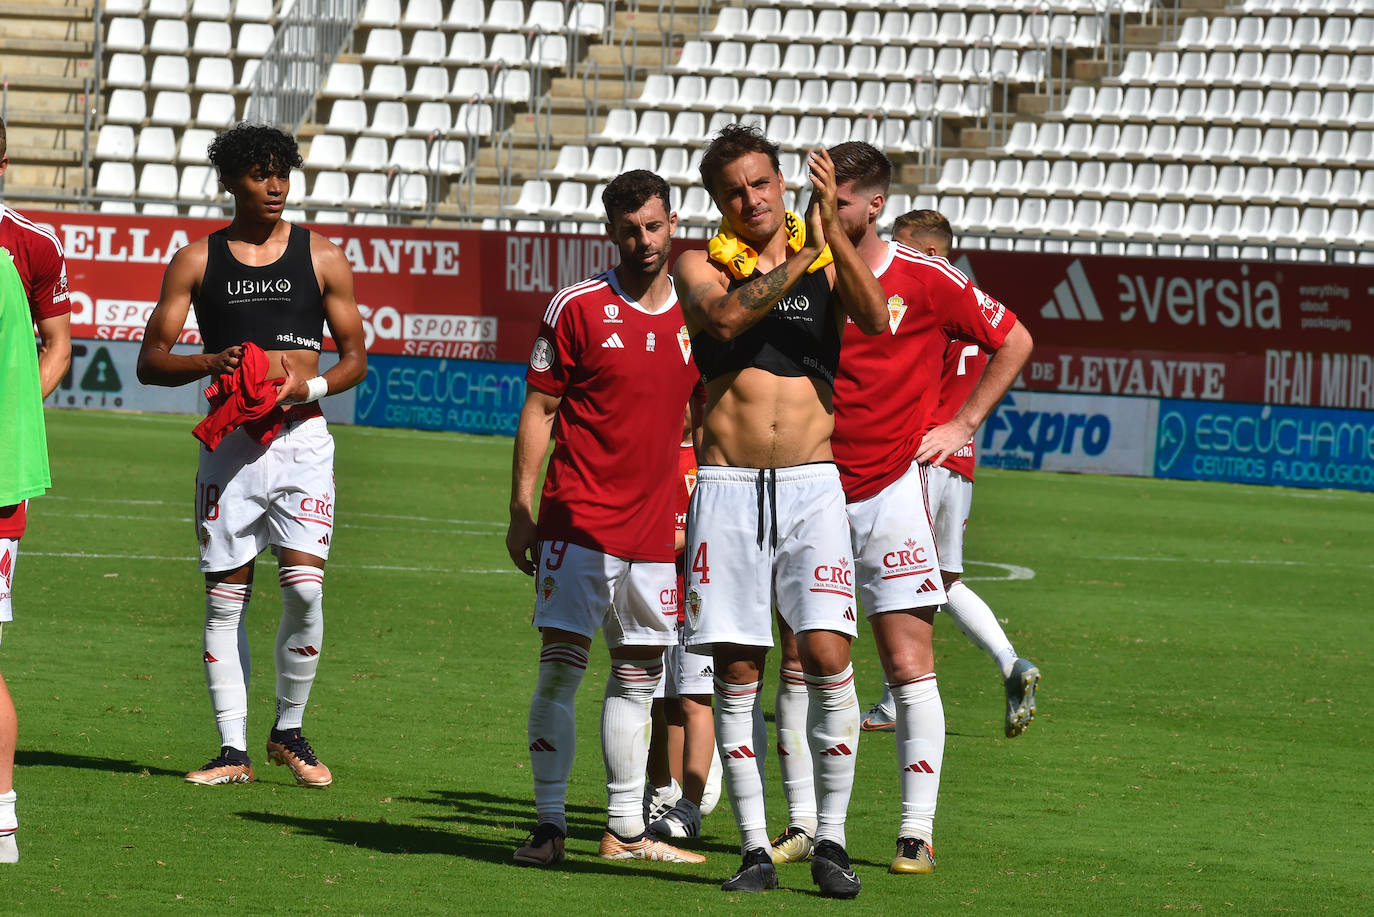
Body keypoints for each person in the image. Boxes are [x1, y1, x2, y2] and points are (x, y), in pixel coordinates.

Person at [769, 149, 1033, 877]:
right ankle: (801, 824)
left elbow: (1013, 338)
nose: (822, 214)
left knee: (907, 662)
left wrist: (963, 426)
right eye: (817, 200)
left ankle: (916, 831)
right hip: (810, 488)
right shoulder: (799, 266)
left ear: (873, 206)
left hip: (891, 491)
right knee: (795, 661)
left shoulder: (927, 278)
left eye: (837, 202)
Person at [674, 124, 888, 898]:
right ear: (718, 201)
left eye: (763, 183)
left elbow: (877, 318)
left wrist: (830, 230)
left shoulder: (829, 257)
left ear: (778, 182)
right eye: (735, 189)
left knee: (829, 656)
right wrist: (804, 257)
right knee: (737, 668)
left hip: (811, 484)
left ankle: (831, 839)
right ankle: (758, 846)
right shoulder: (697, 262)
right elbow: (727, 320)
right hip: (727, 488)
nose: (752, 198)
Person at [137, 123, 367, 789]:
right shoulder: (196, 260)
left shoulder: (322, 256)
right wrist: (211, 360)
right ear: (232, 181)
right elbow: (151, 361)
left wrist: (309, 384)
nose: (275, 186)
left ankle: (288, 729)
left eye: (283, 173)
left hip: (301, 441)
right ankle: (231, 749)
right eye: (260, 174)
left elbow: (355, 357)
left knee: (304, 592)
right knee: (224, 601)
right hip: (230, 446)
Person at [506, 170, 704, 869]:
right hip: (577, 521)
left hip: (657, 528)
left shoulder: (701, 312)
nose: (642, 241)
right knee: (561, 671)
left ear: (672, 223)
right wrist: (521, 508)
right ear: (609, 231)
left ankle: (624, 829)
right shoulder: (577, 307)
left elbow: (708, 422)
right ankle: (549, 824)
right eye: (628, 229)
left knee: (639, 678)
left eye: (653, 226)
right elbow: (540, 409)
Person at [861, 210, 1041, 740]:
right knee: (938, 579)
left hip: (921, 456)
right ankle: (1006, 664)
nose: (898, 254)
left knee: (890, 574)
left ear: (935, 255)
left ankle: (880, 693)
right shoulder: (972, 312)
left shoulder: (924, 306)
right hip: (959, 463)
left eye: (908, 246)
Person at [0, 117, 73, 862]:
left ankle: (2, 819)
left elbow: (58, 345)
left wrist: (15, 413)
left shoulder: (31, 242)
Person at [644, 401, 723, 839]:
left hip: (700, 598)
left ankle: (690, 803)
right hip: (654, 594)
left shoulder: (710, 458)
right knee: (659, 703)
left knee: (695, 701)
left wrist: (662, 536)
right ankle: (662, 794)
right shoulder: (652, 452)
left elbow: (707, 531)